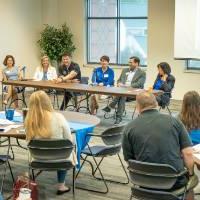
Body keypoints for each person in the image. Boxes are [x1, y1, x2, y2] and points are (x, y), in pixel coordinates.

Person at [122, 92, 195, 198]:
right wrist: (191, 174)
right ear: (156, 103)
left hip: (143, 182)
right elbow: (188, 153)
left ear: (137, 107)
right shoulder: (174, 122)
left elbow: (129, 159)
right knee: (192, 183)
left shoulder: (129, 128)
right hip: (173, 181)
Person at [24, 90, 75, 195]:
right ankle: (61, 185)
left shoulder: (29, 121)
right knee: (67, 146)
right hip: (62, 158)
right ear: (48, 101)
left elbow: (28, 143)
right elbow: (69, 140)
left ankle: (33, 183)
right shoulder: (59, 117)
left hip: (38, 159)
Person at [102, 56, 146, 124]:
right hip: (122, 92)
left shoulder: (142, 73)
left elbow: (139, 84)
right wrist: (119, 83)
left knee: (121, 94)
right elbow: (119, 80)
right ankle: (118, 117)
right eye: (129, 62)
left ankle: (111, 106)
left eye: (131, 62)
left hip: (133, 93)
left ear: (136, 63)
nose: (129, 63)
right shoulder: (125, 70)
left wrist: (126, 86)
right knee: (122, 95)